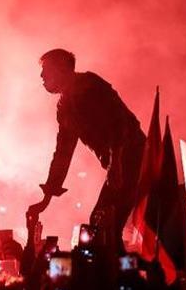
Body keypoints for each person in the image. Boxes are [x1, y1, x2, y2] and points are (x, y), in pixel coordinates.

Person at [35, 49, 145, 244]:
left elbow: (118, 122)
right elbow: (63, 152)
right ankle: (118, 269)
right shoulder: (65, 107)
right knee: (104, 226)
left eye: (46, 70)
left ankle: (118, 271)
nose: (42, 76)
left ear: (62, 68)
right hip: (120, 163)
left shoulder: (90, 85)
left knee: (103, 224)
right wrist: (48, 195)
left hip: (135, 157)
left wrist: (116, 161)